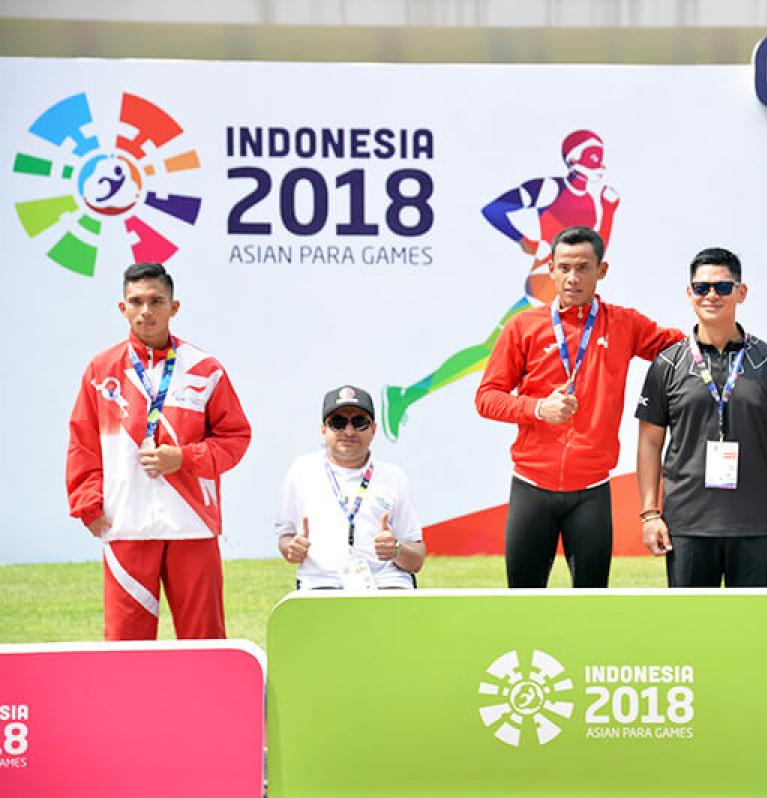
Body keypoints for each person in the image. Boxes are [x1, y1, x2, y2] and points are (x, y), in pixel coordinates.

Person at [475, 225, 683, 588]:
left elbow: (681, 348)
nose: (573, 277)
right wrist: (538, 408)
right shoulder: (523, 327)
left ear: (602, 270)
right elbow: (487, 398)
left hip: (591, 490)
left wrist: (728, 339)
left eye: (583, 267)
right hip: (531, 485)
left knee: (591, 605)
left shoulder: (624, 323)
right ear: (551, 269)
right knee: (522, 600)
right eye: (564, 267)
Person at [381, 130, 620, 435]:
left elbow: (596, 249)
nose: (599, 161)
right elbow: (495, 209)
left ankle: (405, 395)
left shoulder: (590, 199)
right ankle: (406, 395)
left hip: (564, 299)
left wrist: (609, 212)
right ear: (575, 158)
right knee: (487, 354)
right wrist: (525, 240)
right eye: (592, 154)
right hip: (545, 291)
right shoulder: (550, 188)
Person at [66, 262, 251, 640]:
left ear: (174, 307)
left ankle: (205, 702)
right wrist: (87, 503)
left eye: (156, 301)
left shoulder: (205, 368)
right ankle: (128, 704)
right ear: (123, 308)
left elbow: (235, 438)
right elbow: (82, 443)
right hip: (126, 523)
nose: (146, 310)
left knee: (204, 640)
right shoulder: (100, 371)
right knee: (126, 645)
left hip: (193, 526)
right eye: (136, 301)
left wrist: (183, 458)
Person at [636, 247, 767, 587]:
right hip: (685, 528)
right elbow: (649, 442)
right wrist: (650, 514)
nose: (711, 295)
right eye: (701, 288)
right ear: (689, 293)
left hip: (758, 528)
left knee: (757, 634)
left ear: (741, 293)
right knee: (692, 635)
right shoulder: (667, 364)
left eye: (723, 287)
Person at [276, 386, 425, 589]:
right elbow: (285, 537)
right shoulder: (301, 471)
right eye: (338, 423)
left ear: (373, 429)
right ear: (323, 429)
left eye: (359, 422)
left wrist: (396, 549)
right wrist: (291, 549)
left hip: (385, 583)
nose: (349, 431)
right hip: (321, 582)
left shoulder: (393, 477)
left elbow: (416, 559)